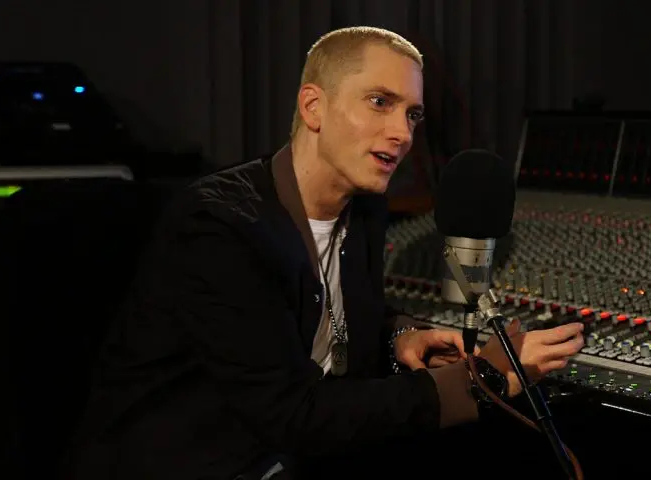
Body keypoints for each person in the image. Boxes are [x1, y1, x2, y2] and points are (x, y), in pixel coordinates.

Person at [62, 26, 584, 480]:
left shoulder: (363, 210)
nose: (402, 133)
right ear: (314, 106)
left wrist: (401, 336)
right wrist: (481, 379)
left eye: (412, 114)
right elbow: (292, 413)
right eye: (379, 102)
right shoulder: (221, 225)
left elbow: (330, 319)